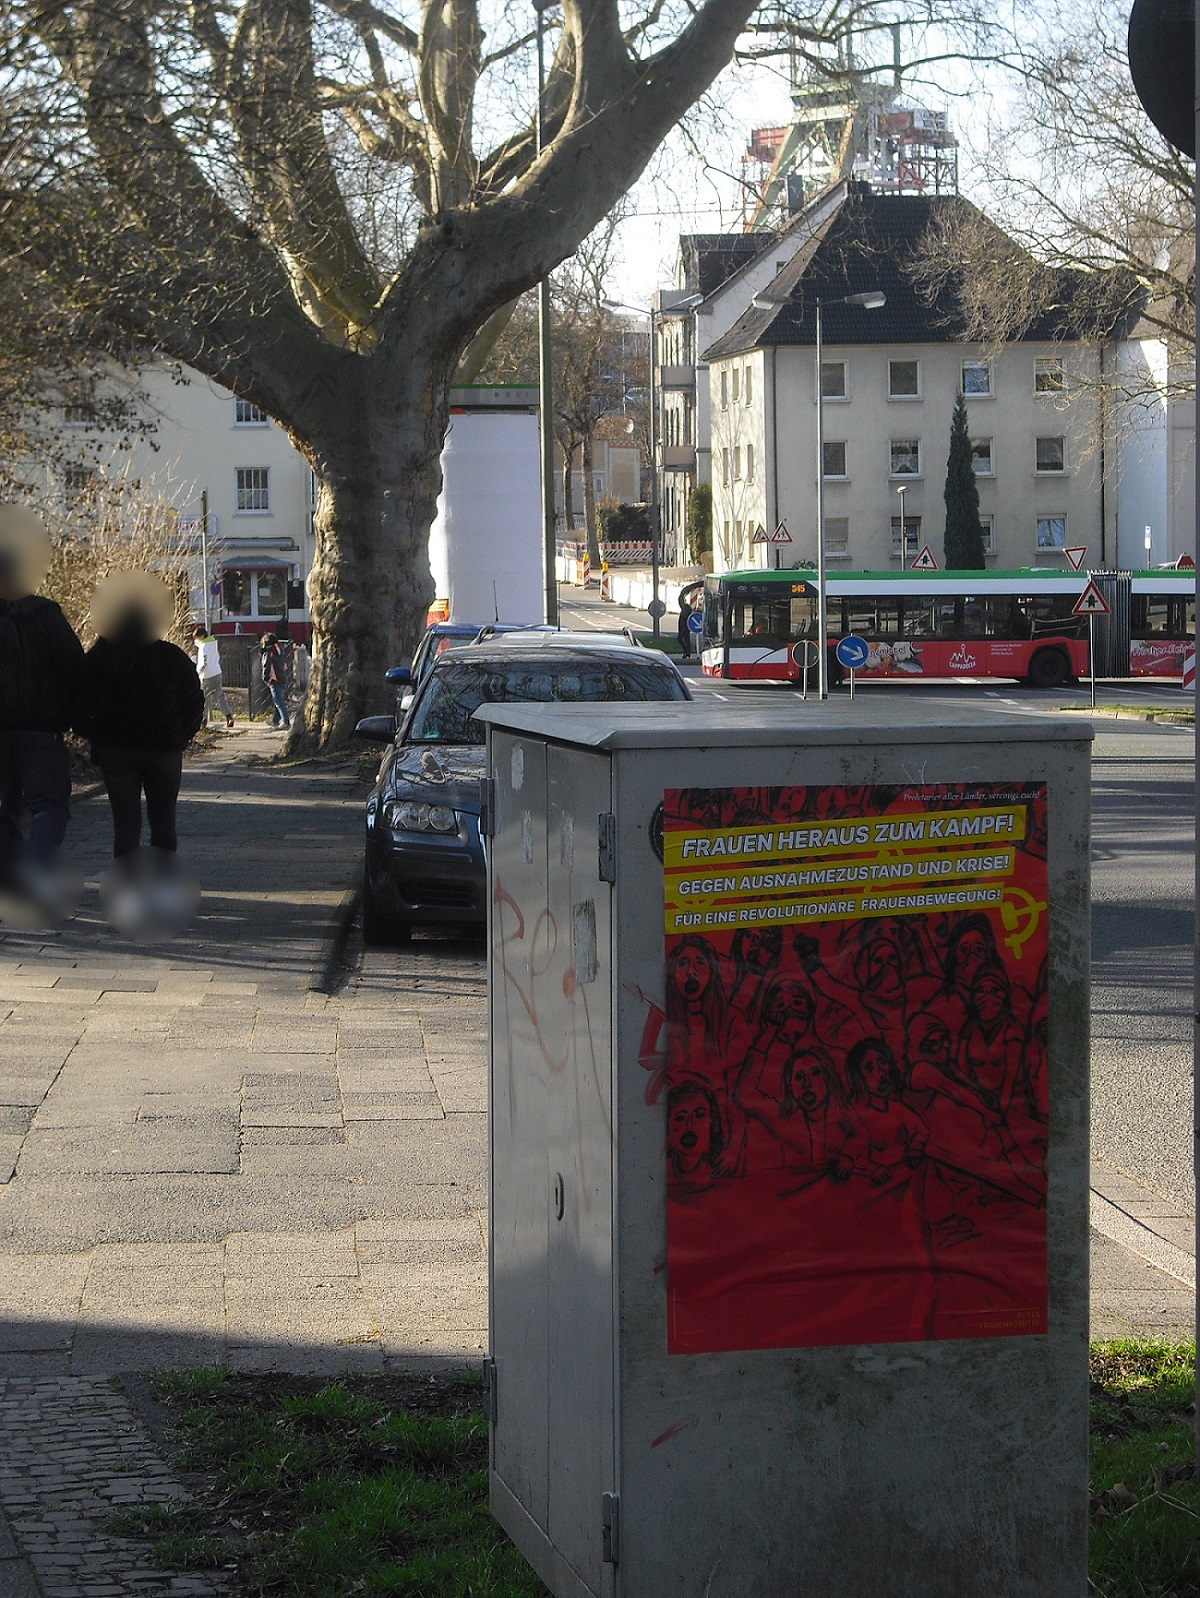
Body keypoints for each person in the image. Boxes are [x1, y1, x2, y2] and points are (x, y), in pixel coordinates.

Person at [78, 573, 205, 859]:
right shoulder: (171, 657)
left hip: (116, 750)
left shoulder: (101, 657)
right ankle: (163, 883)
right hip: (164, 749)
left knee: (125, 826)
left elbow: (80, 698)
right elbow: (193, 699)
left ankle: (128, 883)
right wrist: (182, 734)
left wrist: (93, 733)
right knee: (163, 823)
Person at [0, 506, 85, 893]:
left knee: (4, 807)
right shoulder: (45, 614)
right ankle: (32, 869)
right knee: (50, 806)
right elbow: (75, 668)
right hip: (40, 728)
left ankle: (10, 877)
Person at [193, 625, 233, 728]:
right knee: (220, 696)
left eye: (197, 637)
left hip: (206, 675)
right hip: (217, 672)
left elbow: (204, 662)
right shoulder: (212, 643)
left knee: (205, 698)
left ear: (201, 636)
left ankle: (203, 719)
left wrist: (198, 671)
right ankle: (228, 716)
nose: (196, 640)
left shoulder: (204, 647)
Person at [259, 632, 291, 729]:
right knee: (278, 699)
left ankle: (286, 722)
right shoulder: (279, 650)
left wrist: (265, 678)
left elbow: (266, 666)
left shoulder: (268, 652)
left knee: (278, 701)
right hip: (282, 677)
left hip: (274, 679)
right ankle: (275, 720)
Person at [677, 591, 695, 659]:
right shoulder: (686, 608)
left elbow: (686, 618)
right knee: (682, 639)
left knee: (685, 639)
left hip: (685, 627)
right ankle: (686, 652)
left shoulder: (686, 608)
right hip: (683, 627)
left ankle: (687, 653)